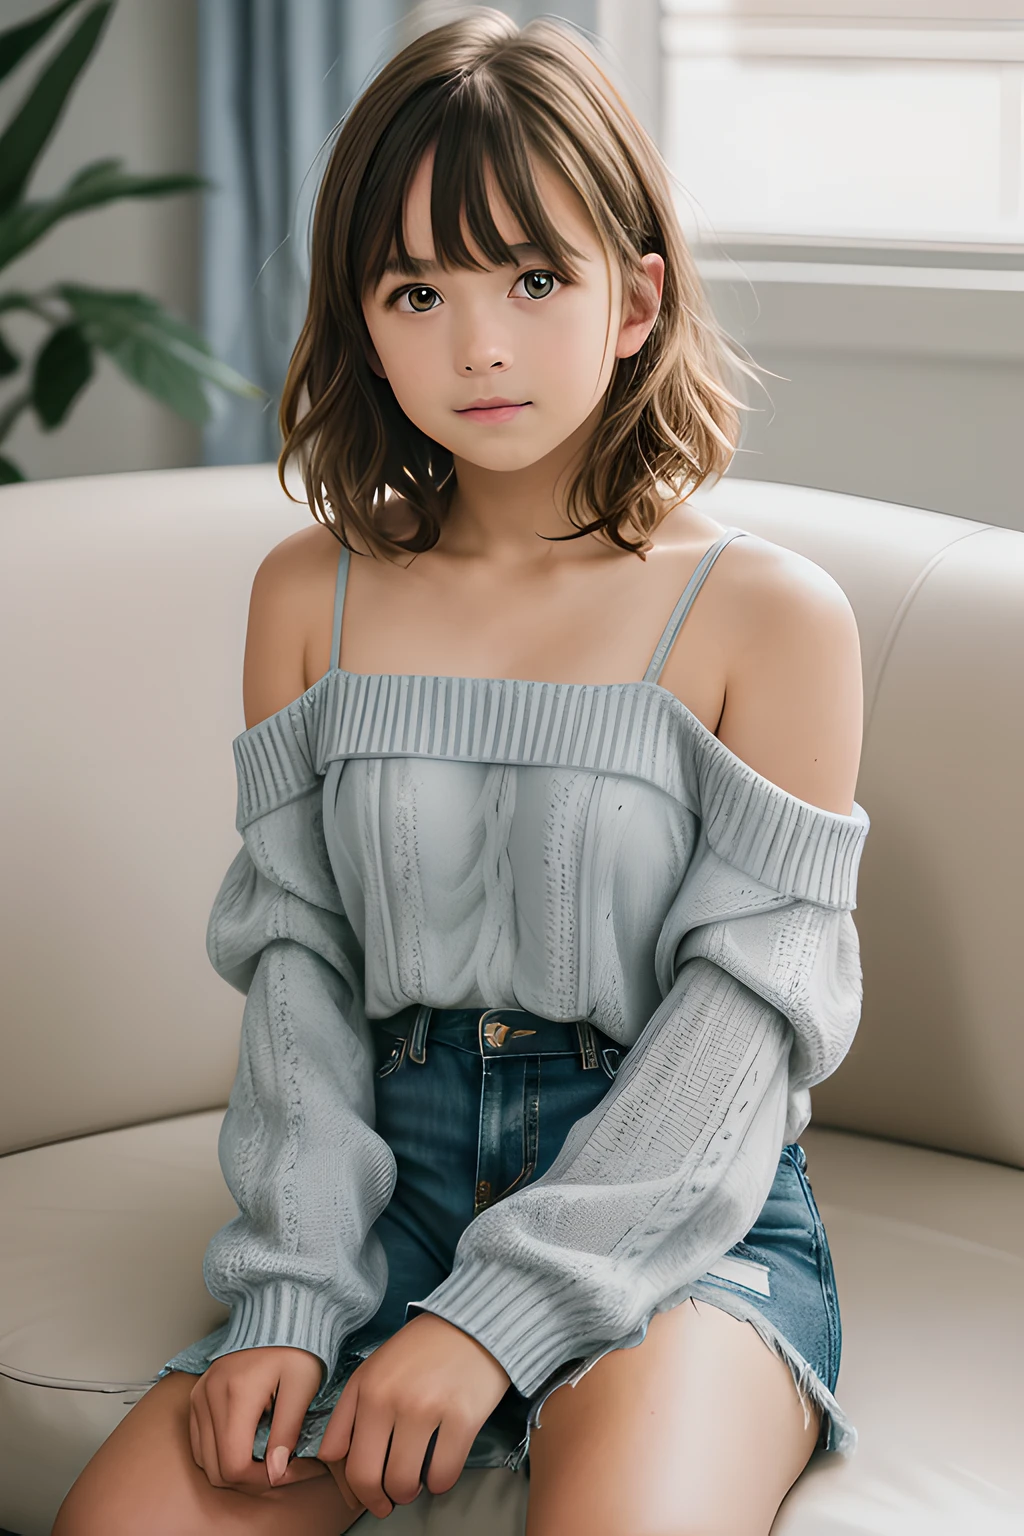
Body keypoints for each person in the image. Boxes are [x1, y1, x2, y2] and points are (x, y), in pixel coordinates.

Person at [54, 10, 869, 1535]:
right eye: (416, 289)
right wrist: (292, 1294)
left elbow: (748, 1022)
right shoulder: (311, 594)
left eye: (535, 279)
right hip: (383, 1188)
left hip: (675, 1204)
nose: (478, 345)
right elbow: (299, 966)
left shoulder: (772, 617)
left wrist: (492, 1319)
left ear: (635, 299)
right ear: (361, 318)